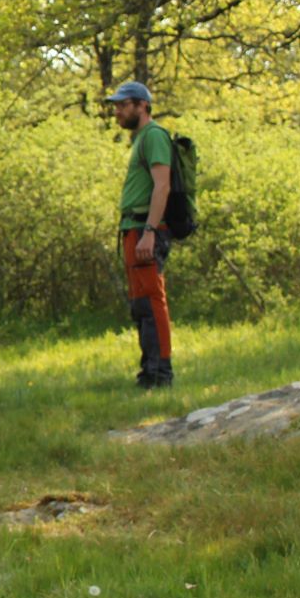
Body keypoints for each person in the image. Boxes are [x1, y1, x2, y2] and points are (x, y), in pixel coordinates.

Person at [107, 80, 173, 388]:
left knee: (152, 301)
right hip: (133, 229)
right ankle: (148, 372)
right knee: (141, 305)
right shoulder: (141, 139)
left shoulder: (155, 136)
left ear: (142, 106)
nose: (118, 111)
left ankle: (161, 374)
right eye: (117, 106)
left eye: (123, 105)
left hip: (145, 230)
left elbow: (163, 185)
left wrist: (148, 232)